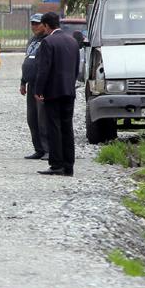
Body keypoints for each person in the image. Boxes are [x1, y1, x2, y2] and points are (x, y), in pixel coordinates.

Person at [34, 11, 80, 176]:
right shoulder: (72, 41)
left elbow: (44, 69)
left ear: (46, 25)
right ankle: (69, 166)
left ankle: (56, 164)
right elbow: (76, 68)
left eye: (43, 26)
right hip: (69, 90)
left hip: (53, 92)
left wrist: (38, 90)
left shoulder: (48, 42)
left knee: (54, 127)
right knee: (67, 127)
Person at [20, 13, 48, 160]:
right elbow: (27, 62)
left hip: (41, 85)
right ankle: (38, 148)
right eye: (32, 24)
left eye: (38, 23)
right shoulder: (32, 41)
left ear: (45, 25)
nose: (35, 26)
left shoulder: (48, 40)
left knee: (43, 118)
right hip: (30, 84)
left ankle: (47, 149)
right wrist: (23, 82)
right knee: (32, 119)